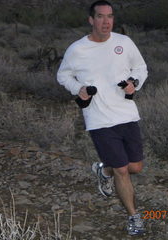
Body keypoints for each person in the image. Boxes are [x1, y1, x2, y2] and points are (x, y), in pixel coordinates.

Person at [57, 0, 148, 236]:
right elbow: (63, 75)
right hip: (98, 118)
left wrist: (134, 84)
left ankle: (104, 171)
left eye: (110, 16)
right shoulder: (77, 49)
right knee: (122, 169)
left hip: (126, 113)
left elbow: (140, 68)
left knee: (135, 166)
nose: (106, 21)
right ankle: (133, 217)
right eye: (100, 16)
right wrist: (78, 88)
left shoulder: (124, 42)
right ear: (91, 20)